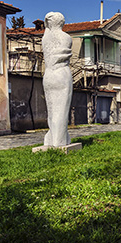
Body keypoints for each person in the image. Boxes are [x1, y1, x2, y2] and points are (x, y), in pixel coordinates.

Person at [42, 12, 73, 147]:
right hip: (61, 73)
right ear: (62, 22)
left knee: (52, 110)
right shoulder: (66, 37)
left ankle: (52, 138)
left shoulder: (45, 38)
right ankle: (59, 141)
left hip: (48, 75)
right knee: (61, 110)